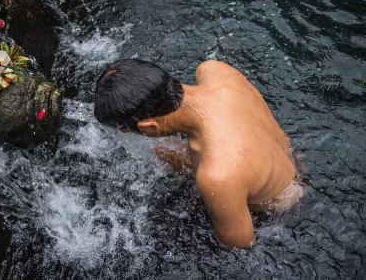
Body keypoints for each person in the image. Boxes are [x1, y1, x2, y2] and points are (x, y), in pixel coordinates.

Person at [94, 59, 304, 248]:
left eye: (130, 131)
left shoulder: (216, 176)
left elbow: (241, 247)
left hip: (279, 210)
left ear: (150, 126)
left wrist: (190, 170)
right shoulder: (215, 70)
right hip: (295, 163)